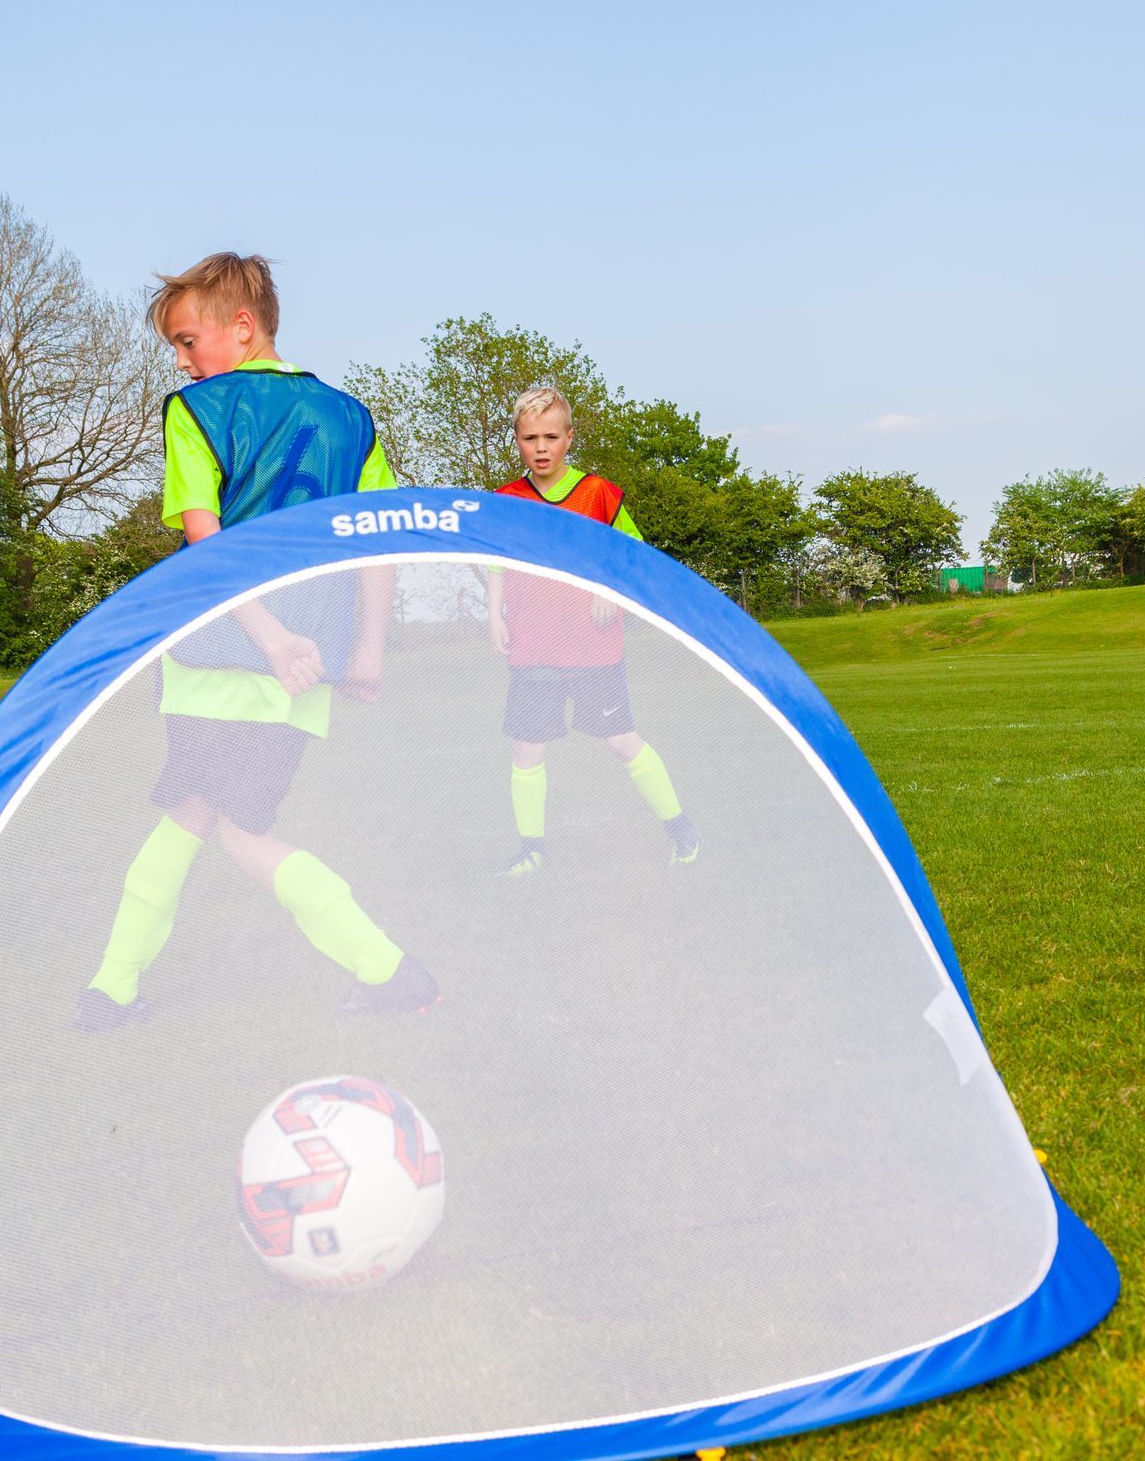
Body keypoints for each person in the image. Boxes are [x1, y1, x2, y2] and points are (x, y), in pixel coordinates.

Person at [77, 252, 438, 1031]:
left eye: (185, 339)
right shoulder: (353, 418)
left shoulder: (196, 410)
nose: (178, 360)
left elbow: (207, 542)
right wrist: (365, 650)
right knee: (195, 808)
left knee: (230, 826)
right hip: (302, 668)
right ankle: (111, 989)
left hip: (225, 657)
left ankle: (389, 967)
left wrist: (271, 638)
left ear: (243, 328)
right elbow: (380, 546)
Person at [486, 386, 701, 877]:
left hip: (592, 649)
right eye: (529, 437)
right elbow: (494, 560)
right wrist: (494, 612)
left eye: (551, 437)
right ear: (517, 440)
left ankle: (680, 827)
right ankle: (531, 850)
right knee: (526, 749)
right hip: (533, 647)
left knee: (621, 740)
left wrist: (610, 589)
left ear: (569, 438)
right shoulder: (506, 500)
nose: (541, 447)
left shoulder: (599, 495)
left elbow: (634, 557)